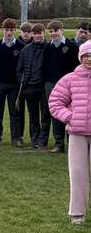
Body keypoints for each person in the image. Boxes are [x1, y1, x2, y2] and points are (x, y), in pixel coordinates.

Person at [49, 40, 91, 223]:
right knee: (77, 174)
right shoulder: (69, 79)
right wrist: (69, 117)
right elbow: (55, 102)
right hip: (77, 133)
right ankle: (77, 214)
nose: (88, 59)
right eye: (85, 55)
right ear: (80, 57)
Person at [0, 17, 23, 147]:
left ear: (15, 30)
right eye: (6, 30)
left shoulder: (21, 46)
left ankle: (16, 139)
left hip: (14, 85)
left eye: (11, 30)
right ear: (2, 30)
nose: (9, 32)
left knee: (15, 113)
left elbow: (22, 67)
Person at [44, 20, 79, 153]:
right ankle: (59, 143)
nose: (53, 33)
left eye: (56, 30)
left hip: (70, 84)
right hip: (52, 84)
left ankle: (72, 143)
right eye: (51, 31)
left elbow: (77, 66)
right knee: (56, 113)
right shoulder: (47, 47)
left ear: (61, 30)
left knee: (71, 112)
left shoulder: (72, 46)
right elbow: (44, 65)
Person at [17, 23, 49, 150]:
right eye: (35, 33)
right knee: (33, 116)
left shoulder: (49, 48)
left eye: (39, 33)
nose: (37, 36)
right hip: (29, 88)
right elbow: (19, 70)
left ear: (44, 33)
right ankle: (34, 140)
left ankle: (43, 141)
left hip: (44, 87)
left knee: (45, 115)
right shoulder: (25, 50)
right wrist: (23, 81)